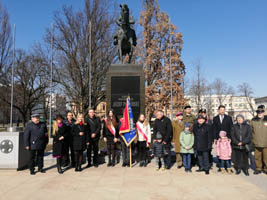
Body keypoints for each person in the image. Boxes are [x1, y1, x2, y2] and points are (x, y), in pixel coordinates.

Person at [213, 105, 233, 171]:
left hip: (227, 139)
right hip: (219, 139)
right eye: (221, 109)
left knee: (227, 151)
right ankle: (220, 166)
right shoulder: (215, 118)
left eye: (223, 109)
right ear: (218, 110)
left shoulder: (229, 118)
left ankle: (228, 166)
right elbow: (215, 129)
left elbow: (231, 128)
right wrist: (215, 138)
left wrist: (230, 137)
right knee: (220, 151)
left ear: (225, 110)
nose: (222, 111)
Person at [251, 105, 267, 175]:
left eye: (261, 111)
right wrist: (252, 141)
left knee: (266, 158)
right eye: (258, 112)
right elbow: (250, 131)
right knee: (257, 157)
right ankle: (258, 168)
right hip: (256, 142)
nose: (259, 113)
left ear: (264, 112)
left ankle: (266, 169)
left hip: (266, 143)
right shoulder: (253, 120)